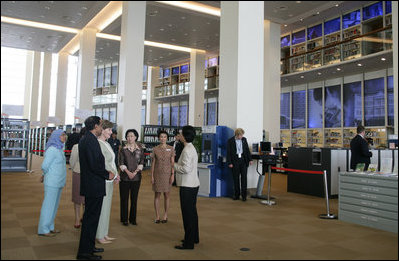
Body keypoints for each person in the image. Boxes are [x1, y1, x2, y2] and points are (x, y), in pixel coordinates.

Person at [76, 116, 115, 261]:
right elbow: (94, 165)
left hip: (93, 184)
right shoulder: (90, 141)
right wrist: (107, 174)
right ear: (95, 126)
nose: (101, 127)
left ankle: (90, 247)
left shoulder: (89, 139)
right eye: (100, 125)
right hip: (93, 185)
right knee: (90, 220)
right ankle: (85, 253)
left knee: (92, 219)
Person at [174, 125, 200, 250]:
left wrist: (173, 165)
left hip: (187, 185)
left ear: (184, 136)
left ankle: (188, 243)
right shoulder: (190, 147)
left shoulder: (187, 150)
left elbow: (185, 169)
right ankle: (194, 237)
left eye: (181, 134)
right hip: (192, 184)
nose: (179, 135)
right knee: (192, 213)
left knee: (187, 214)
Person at [37, 129, 67, 237]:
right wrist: (44, 174)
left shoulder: (59, 149)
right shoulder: (52, 150)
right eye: (62, 135)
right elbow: (44, 166)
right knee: (48, 206)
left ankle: (50, 227)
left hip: (59, 181)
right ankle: (43, 229)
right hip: (52, 182)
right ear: (56, 137)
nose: (64, 137)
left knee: (54, 206)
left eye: (65, 135)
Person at [96, 120, 120, 244]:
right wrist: (112, 174)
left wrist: (116, 174)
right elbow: (103, 164)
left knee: (107, 208)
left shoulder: (107, 143)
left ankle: (104, 233)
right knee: (102, 208)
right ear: (103, 130)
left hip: (110, 180)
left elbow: (112, 162)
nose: (111, 132)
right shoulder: (98, 144)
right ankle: (99, 234)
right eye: (109, 130)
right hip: (103, 180)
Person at [118, 129, 145, 226]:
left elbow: (142, 162)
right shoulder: (123, 149)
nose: (130, 138)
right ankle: (124, 219)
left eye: (132, 136)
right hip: (125, 177)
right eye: (128, 136)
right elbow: (120, 163)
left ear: (136, 137)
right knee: (124, 198)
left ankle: (133, 219)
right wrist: (128, 172)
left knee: (134, 199)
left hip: (137, 177)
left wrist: (136, 172)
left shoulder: (140, 149)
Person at [151, 130, 175, 224]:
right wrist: (152, 176)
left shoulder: (171, 148)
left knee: (167, 195)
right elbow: (153, 163)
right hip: (157, 174)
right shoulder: (155, 149)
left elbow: (172, 163)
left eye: (165, 137)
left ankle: (165, 215)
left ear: (167, 138)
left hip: (168, 174)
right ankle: (157, 215)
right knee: (157, 195)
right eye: (161, 137)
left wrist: (173, 174)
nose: (163, 138)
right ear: (158, 138)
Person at [226, 128, 253, 201]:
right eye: (240, 135)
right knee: (236, 179)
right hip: (235, 161)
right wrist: (230, 162)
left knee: (244, 178)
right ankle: (237, 195)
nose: (241, 136)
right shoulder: (230, 141)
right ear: (237, 135)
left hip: (243, 161)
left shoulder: (244, 140)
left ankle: (244, 196)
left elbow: (247, 150)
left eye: (242, 135)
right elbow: (228, 153)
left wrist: (250, 160)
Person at [69, 127, 86, 229]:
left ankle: (84, 216)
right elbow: (72, 161)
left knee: (86, 198)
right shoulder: (76, 147)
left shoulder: (94, 145)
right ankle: (77, 219)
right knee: (77, 197)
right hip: (78, 173)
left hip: (89, 175)